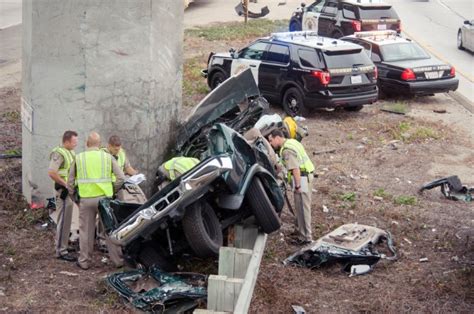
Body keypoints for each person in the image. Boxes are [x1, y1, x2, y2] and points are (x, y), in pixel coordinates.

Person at [68, 132, 126, 270]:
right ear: (100, 145)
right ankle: (118, 261)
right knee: (110, 229)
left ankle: (84, 261)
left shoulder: (79, 158)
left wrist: (75, 198)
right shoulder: (108, 157)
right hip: (104, 199)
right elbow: (121, 178)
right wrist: (112, 191)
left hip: (86, 199)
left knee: (85, 231)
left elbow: (70, 183)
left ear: (86, 144)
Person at [267, 129, 315, 245]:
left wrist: (298, 186)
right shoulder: (292, 142)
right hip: (305, 176)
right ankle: (299, 231)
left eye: (271, 140)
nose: (270, 144)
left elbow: (295, 169)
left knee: (303, 209)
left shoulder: (287, 150)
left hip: (301, 179)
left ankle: (306, 238)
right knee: (299, 208)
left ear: (277, 137)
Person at [48, 130, 78, 262]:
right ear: (66, 141)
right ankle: (61, 250)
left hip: (69, 191)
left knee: (67, 219)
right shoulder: (59, 153)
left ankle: (63, 244)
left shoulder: (70, 152)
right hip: (63, 191)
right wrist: (65, 184)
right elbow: (52, 172)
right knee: (63, 220)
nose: (75, 144)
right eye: (73, 142)